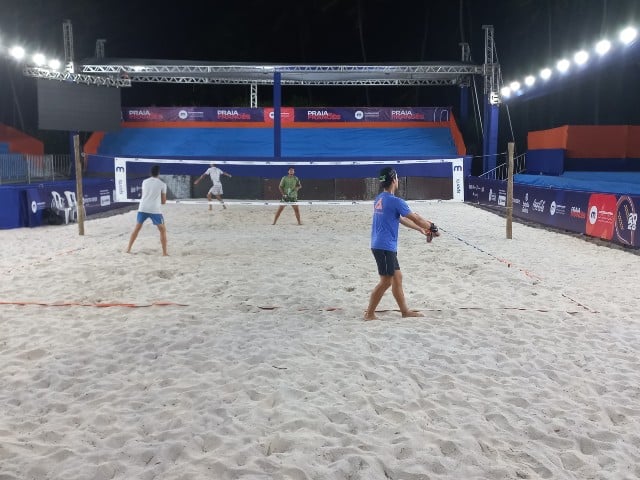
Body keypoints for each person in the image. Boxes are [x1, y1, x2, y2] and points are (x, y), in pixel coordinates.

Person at [364, 167, 440, 321]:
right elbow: (416, 218)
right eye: (397, 178)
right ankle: (369, 314)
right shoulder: (396, 201)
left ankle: (405, 311)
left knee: (397, 278)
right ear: (394, 180)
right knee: (386, 282)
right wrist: (432, 228)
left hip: (382, 245)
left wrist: (420, 229)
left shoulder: (380, 198)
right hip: (384, 247)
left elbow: (400, 219)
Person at [126, 165, 168, 256]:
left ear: (150, 173)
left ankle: (128, 249)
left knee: (137, 229)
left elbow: (146, 193)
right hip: (154, 209)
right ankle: (164, 253)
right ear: (159, 173)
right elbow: (164, 201)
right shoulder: (162, 184)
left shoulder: (144, 182)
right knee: (162, 230)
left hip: (143, 207)